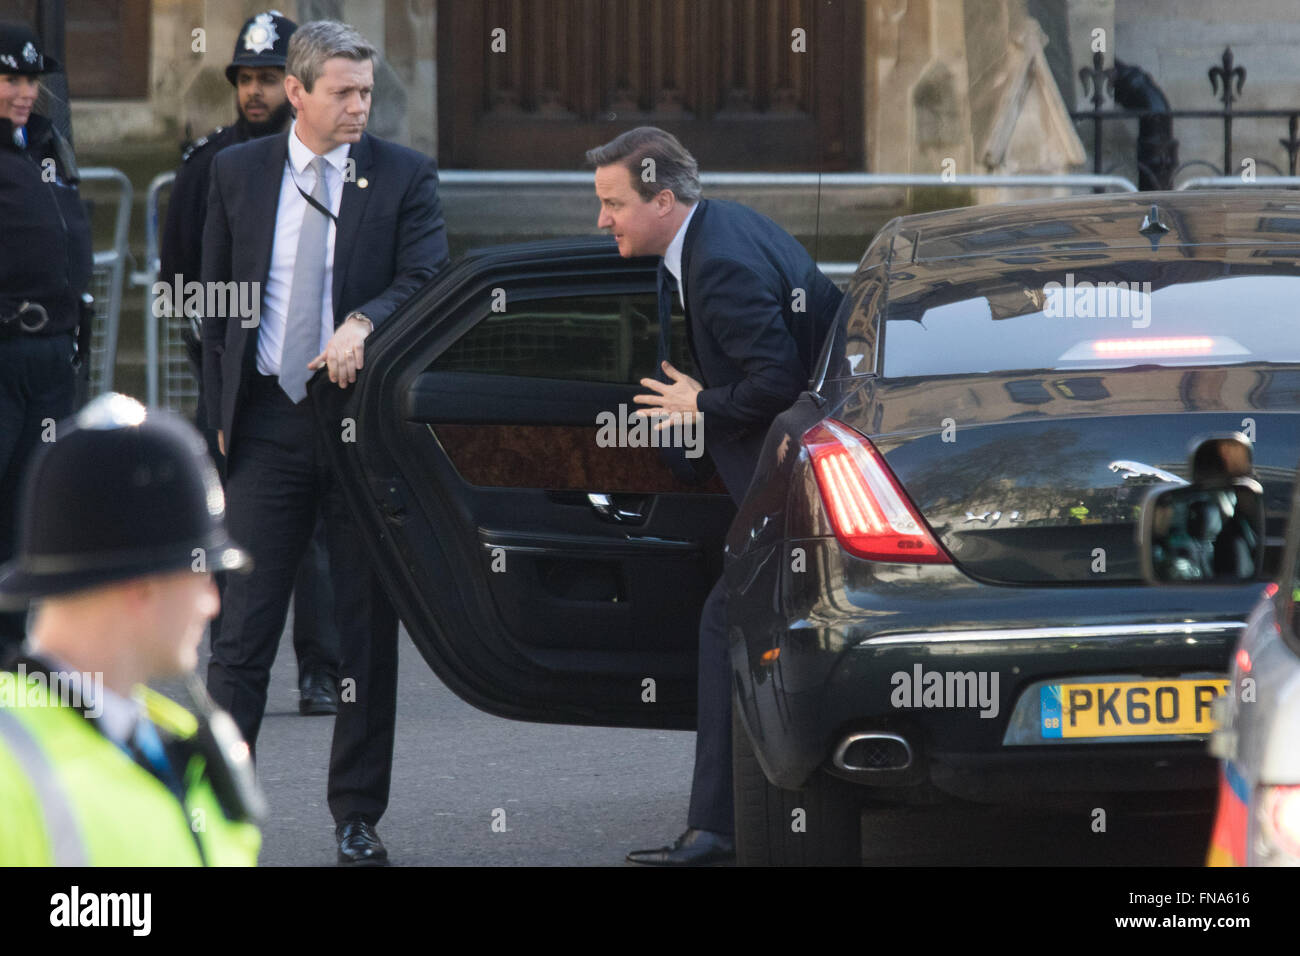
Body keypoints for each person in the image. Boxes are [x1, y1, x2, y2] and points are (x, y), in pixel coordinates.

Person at [201, 19, 449, 865]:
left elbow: (425, 277)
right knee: (239, 635)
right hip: (267, 424)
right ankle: (217, 811)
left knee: (362, 633)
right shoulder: (236, 172)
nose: (358, 107)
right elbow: (217, 302)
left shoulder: (405, 176)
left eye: (366, 92)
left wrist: (362, 321)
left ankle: (356, 816)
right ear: (297, 93)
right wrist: (221, 418)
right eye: (342, 92)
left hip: (359, 428)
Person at [588, 127, 843, 865]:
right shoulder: (717, 229)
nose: (603, 220)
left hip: (807, 487)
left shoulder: (721, 264)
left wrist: (700, 404)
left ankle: (717, 830)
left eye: (613, 204)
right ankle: (726, 820)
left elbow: (782, 383)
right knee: (728, 623)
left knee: (725, 623)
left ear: (662, 200)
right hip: (787, 477)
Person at [160, 10, 340, 717]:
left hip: (316, 376)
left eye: (270, 78)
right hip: (238, 378)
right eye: (247, 79)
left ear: (295, 86)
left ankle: (323, 670)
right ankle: (235, 666)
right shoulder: (211, 164)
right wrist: (216, 359)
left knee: (319, 537)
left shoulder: (332, 166)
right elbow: (181, 273)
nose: (255, 92)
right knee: (236, 527)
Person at [0, 392, 262, 865]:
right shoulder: (9, 770)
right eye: (201, 577)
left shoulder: (175, 737)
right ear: (141, 587)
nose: (212, 603)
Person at [0, 22, 92, 661]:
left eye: (30, 78)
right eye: (9, 78)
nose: (24, 91)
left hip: (52, 354)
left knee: (35, 500)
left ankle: (17, 647)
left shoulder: (46, 146)